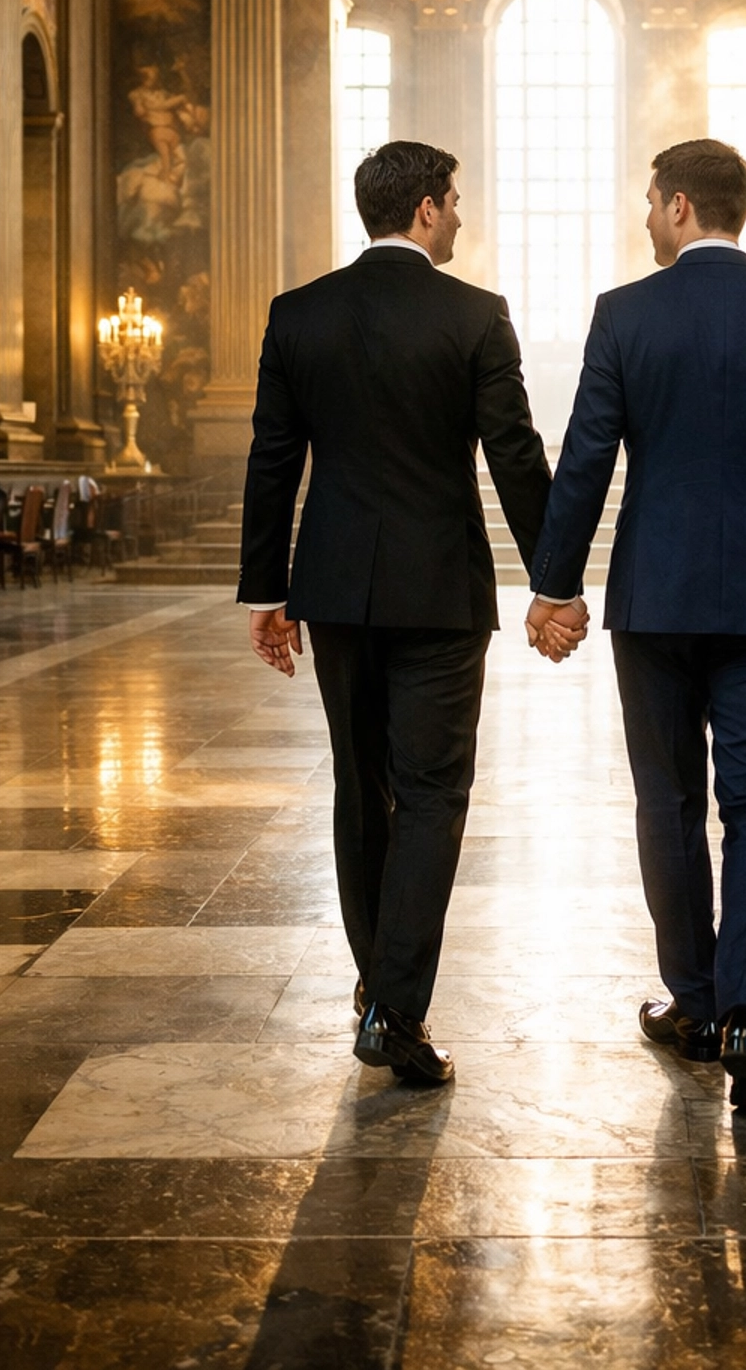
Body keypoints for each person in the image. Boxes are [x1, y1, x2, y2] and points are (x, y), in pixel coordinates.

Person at [527, 139, 746, 1114]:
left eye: (648, 203)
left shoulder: (627, 316)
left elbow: (586, 460)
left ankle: (694, 1003)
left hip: (658, 597)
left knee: (667, 800)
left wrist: (556, 584)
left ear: (679, 207)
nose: (643, 219)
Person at [238, 141, 580, 1090]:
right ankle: (395, 1006)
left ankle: (376, 987)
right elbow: (515, 454)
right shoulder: (474, 316)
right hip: (439, 590)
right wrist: (553, 580)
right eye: (457, 202)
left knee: (361, 784)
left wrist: (267, 593)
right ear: (427, 211)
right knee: (432, 792)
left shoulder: (297, 314)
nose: (462, 217)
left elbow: (273, 461)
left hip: (336, 586)